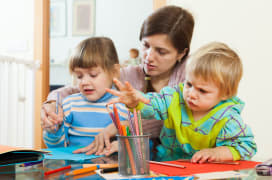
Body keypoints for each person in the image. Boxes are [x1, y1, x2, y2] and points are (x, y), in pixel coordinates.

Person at [41, 5, 195, 154]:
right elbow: (76, 90)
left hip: (177, 157)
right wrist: (52, 103)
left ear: (181, 53)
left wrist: (122, 125)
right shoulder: (128, 75)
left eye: (161, 52)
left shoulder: (191, 79)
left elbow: (176, 119)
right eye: (145, 45)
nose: (149, 56)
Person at [106, 42, 257, 162]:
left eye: (202, 91)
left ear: (226, 94)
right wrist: (134, 101)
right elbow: (153, 104)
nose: (191, 94)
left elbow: (247, 147)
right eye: (189, 84)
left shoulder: (228, 118)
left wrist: (217, 153)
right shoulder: (174, 98)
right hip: (169, 167)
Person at [43, 37, 129, 148]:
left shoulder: (123, 107)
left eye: (93, 75)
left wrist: (123, 145)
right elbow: (55, 146)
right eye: (79, 76)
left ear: (114, 72)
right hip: (75, 165)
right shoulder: (70, 105)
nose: (84, 82)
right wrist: (52, 131)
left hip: (110, 165)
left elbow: (137, 148)